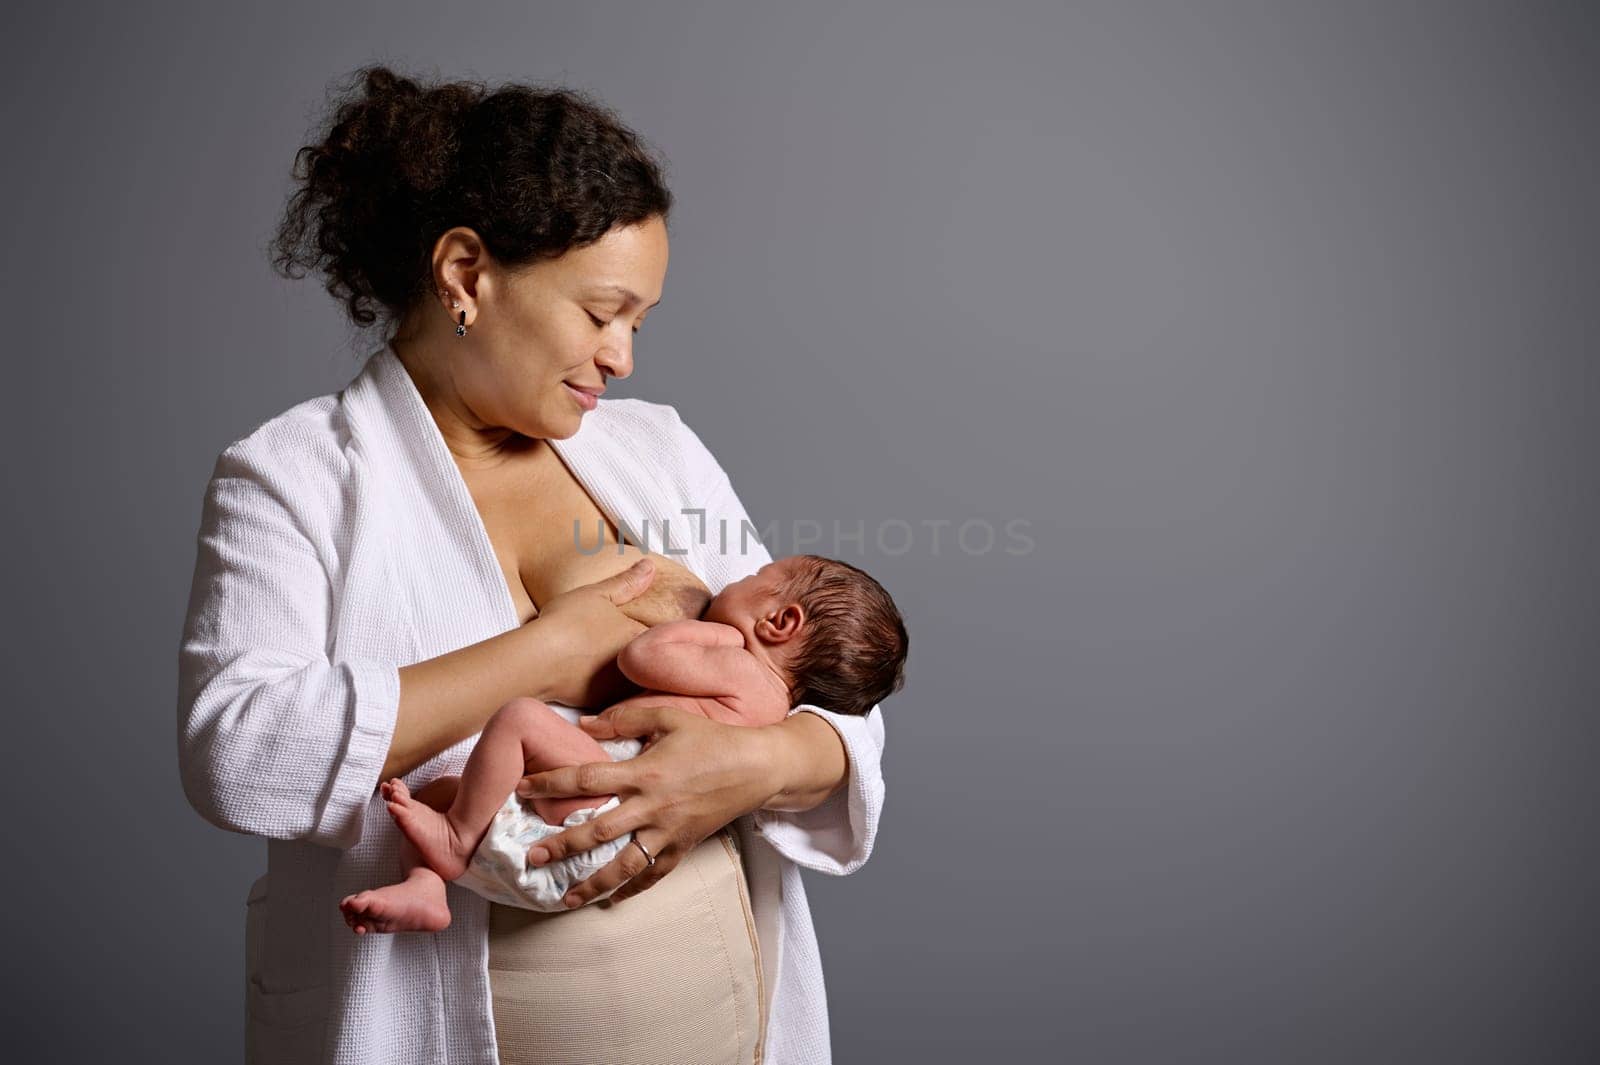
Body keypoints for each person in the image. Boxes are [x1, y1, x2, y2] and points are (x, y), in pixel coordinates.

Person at [176, 65, 891, 1065]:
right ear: (467, 274)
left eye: (638, 323)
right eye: (602, 313)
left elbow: (826, 689)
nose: (622, 358)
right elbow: (238, 751)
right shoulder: (293, 478)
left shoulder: (656, 451)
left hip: (721, 1016)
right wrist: (546, 653)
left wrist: (754, 762)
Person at [339, 553, 908, 930]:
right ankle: (427, 887)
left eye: (753, 576)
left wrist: (705, 628)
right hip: (609, 836)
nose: (732, 579)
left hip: (605, 800)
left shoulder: (740, 665)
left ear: (778, 622)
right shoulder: (776, 709)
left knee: (518, 719)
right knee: (446, 787)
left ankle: (455, 841)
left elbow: (642, 657)